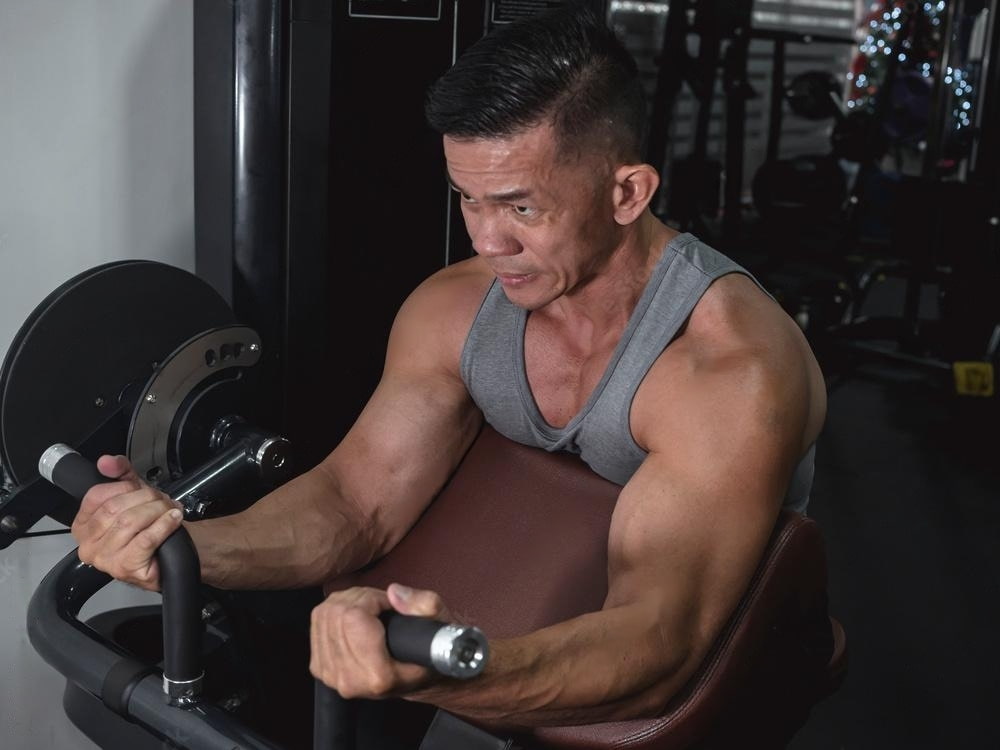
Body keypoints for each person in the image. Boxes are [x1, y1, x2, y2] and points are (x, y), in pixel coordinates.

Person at [71, 3, 825, 737]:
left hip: (720, 642)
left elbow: (661, 640)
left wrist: (455, 676)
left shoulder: (727, 366)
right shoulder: (456, 308)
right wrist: (175, 550)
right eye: (467, 199)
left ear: (627, 193)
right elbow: (356, 504)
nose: (487, 241)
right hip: (533, 577)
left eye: (520, 208)